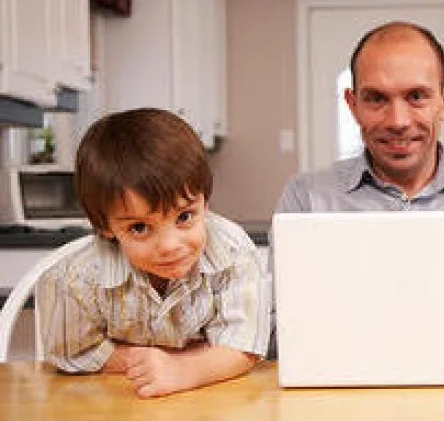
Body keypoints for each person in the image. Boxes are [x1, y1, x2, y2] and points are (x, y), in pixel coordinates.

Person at [269, 21, 444, 356]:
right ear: (352, 104)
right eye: (376, 98)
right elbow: (278, 331)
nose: (398, 121)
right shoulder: (306, 198)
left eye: (416, 96)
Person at [36, 108, 271, 398]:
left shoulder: (233, 252)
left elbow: (243, 346)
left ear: (205, 202)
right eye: (139, 227)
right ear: (104, 226)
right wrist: (154, 361)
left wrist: (183, 370)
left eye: (184, 217)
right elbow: (69, 351)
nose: (170, 245)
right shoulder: (75, 278)